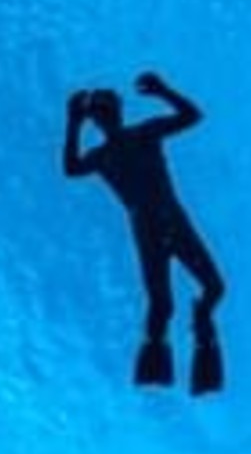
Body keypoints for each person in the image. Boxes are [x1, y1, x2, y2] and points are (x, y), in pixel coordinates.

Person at [63, 71, 227, 394]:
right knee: (162, 304)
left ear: (118, 111)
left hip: (170, 219)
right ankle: (163, 357)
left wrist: (164, 90)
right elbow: (71, 168)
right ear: (96, 119)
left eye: (108, 108)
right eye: (100, 111)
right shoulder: (103, 155)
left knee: (212, 288)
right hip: (150, 226)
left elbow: (192, 116)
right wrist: (73, 122)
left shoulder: (144, 134)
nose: (106, 115)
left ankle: (201, 322)